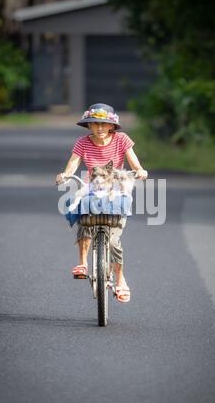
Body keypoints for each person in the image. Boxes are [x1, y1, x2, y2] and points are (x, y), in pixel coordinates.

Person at [55, 103, 148, 303]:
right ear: (88, 126)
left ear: (112, 126)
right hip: (92, 186)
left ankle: (120, 280)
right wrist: (65, 175)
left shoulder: (121, 139)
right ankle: (82, 263)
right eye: (95, 124)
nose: (99, 128)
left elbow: (133, 161)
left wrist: (140, 170)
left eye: (104, 124)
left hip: (114, 186)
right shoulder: (82, 142)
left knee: (114, 240)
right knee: (84, 216)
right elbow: (73, 163)